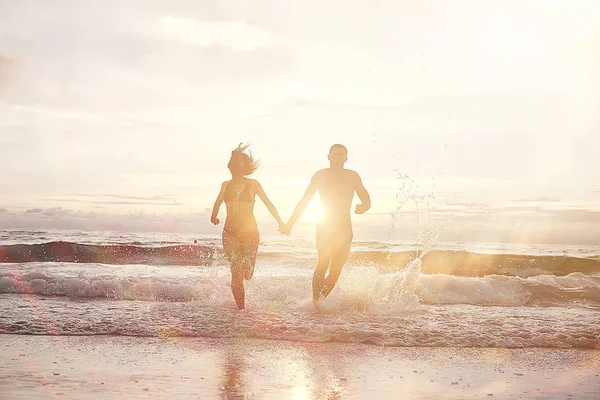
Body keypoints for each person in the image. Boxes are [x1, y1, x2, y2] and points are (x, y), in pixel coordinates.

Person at [280, 144, 371, 307]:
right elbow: (305, 201)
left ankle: (320, 301)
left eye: (340, 155)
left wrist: (364, 206)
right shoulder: (320, 175)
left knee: (336, 270)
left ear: (346, 158)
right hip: (325, 225)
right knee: (323, 263)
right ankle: (316, 304)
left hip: (344, 227)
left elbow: (365, 197)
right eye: (334, 154)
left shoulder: (352, 176)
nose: (337, 157)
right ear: (328, 157)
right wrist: (290, 224)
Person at [211, 143, 284, 309]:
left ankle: (248, 270)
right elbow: (218, 202)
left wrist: (280, 221)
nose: (232, 163)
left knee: (247, 273)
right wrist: (214, 215)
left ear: (244, 165)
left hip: (250, 233)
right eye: (231, 160)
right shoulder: (225, 185)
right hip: (229, 233)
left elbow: (268, 203)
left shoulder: (253, 184)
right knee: (235, 272)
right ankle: (241, 310)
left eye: (236, 160)